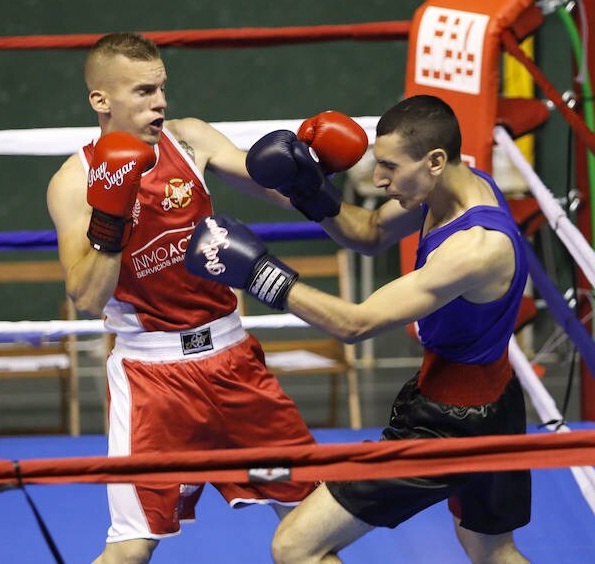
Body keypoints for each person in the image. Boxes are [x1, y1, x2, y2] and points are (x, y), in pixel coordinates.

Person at [46, 33, 366, 564]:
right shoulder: (73, 181)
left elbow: (272, 182)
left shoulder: (189, 139)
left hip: (235, 361)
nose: (160, 102)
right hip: (153, 379)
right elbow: (84, 295)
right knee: (129, 549)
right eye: (144, 91)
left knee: (310, 531)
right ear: (101, 100)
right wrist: (111, 219)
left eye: (162, 89)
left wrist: (308, 165)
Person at [185, 94, 531, 563]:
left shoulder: (475, 249)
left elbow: (356, 322)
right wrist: (312, 195)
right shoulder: (454, 187)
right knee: (492, 553)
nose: (379, 179)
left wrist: (257, 273)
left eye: (389, 166)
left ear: (434, 160)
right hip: (490, 397)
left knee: (295, 547)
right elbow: (369, 231)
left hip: (449, 425)